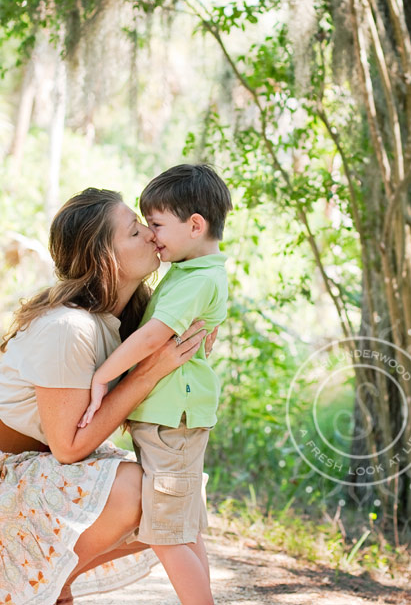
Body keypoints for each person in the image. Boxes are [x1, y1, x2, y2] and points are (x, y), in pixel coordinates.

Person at [0, 187, 216, 604]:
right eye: (135, 231)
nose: (153, 235)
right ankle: (35, 583)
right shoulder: (69, 328)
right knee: (140, 488)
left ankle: (50, 583)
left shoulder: (129, 321)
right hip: (11, 474)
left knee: (178, 491)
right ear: (104, 258)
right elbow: (68, 448)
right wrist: (147, 373)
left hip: (40, 467)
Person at [78, 164, 232, 605]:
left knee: (166, 536)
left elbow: (152, 337)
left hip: (173, 425)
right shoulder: (193, 272)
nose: (152, 234)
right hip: (173, 422)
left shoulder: (197, 278)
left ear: (195, 225)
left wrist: (102, 376)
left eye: (158, 224)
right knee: (181, 530)